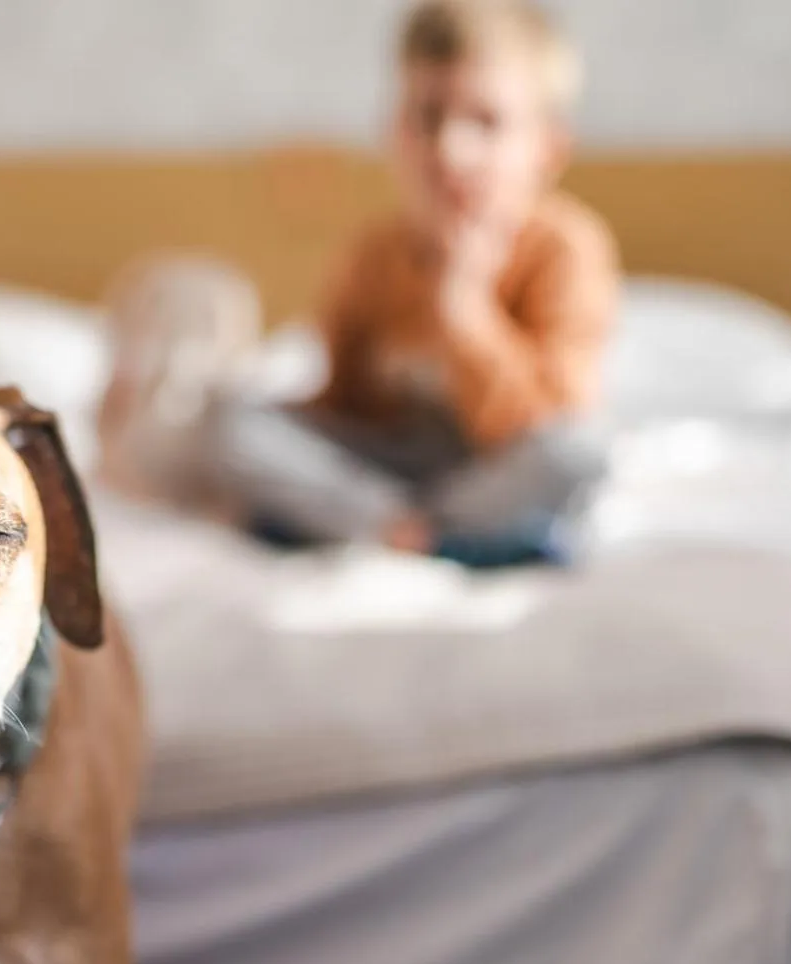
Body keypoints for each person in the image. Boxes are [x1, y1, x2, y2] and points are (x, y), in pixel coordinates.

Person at [220, 0, 620, 564]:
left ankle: (402, 530)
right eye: (428, 118)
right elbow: (345, 408)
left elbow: (545, 423)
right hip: (396, 472)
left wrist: (463, 309)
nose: (450, 151)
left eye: (486, 122)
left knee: (577, 451)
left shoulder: (565, 249)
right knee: (230, 420)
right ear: (395, 131)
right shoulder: (374, 254)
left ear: (548, 149)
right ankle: (419, 533)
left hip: (495, 467)